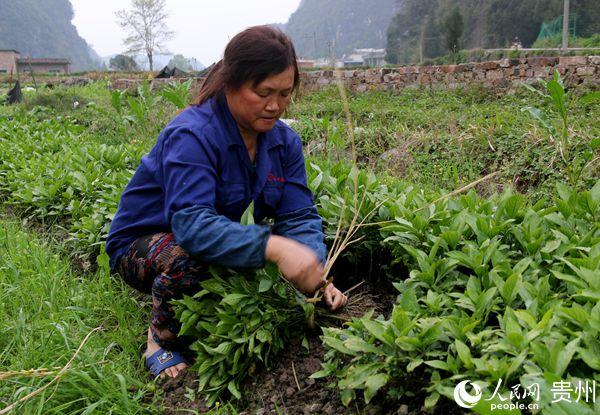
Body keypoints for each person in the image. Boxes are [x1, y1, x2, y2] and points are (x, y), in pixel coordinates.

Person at [105, 25, 347, 379]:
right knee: (191, 261)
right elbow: (191, 227)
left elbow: (298, 214)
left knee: (264, 265)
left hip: (211, 232)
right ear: (231, 82)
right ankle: (159, 340)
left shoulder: (283, 143)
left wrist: (314, 273)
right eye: (263, 92)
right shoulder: (192, 135)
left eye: (284, 93)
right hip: (145, 243)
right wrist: (276, 248)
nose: (275, 105)